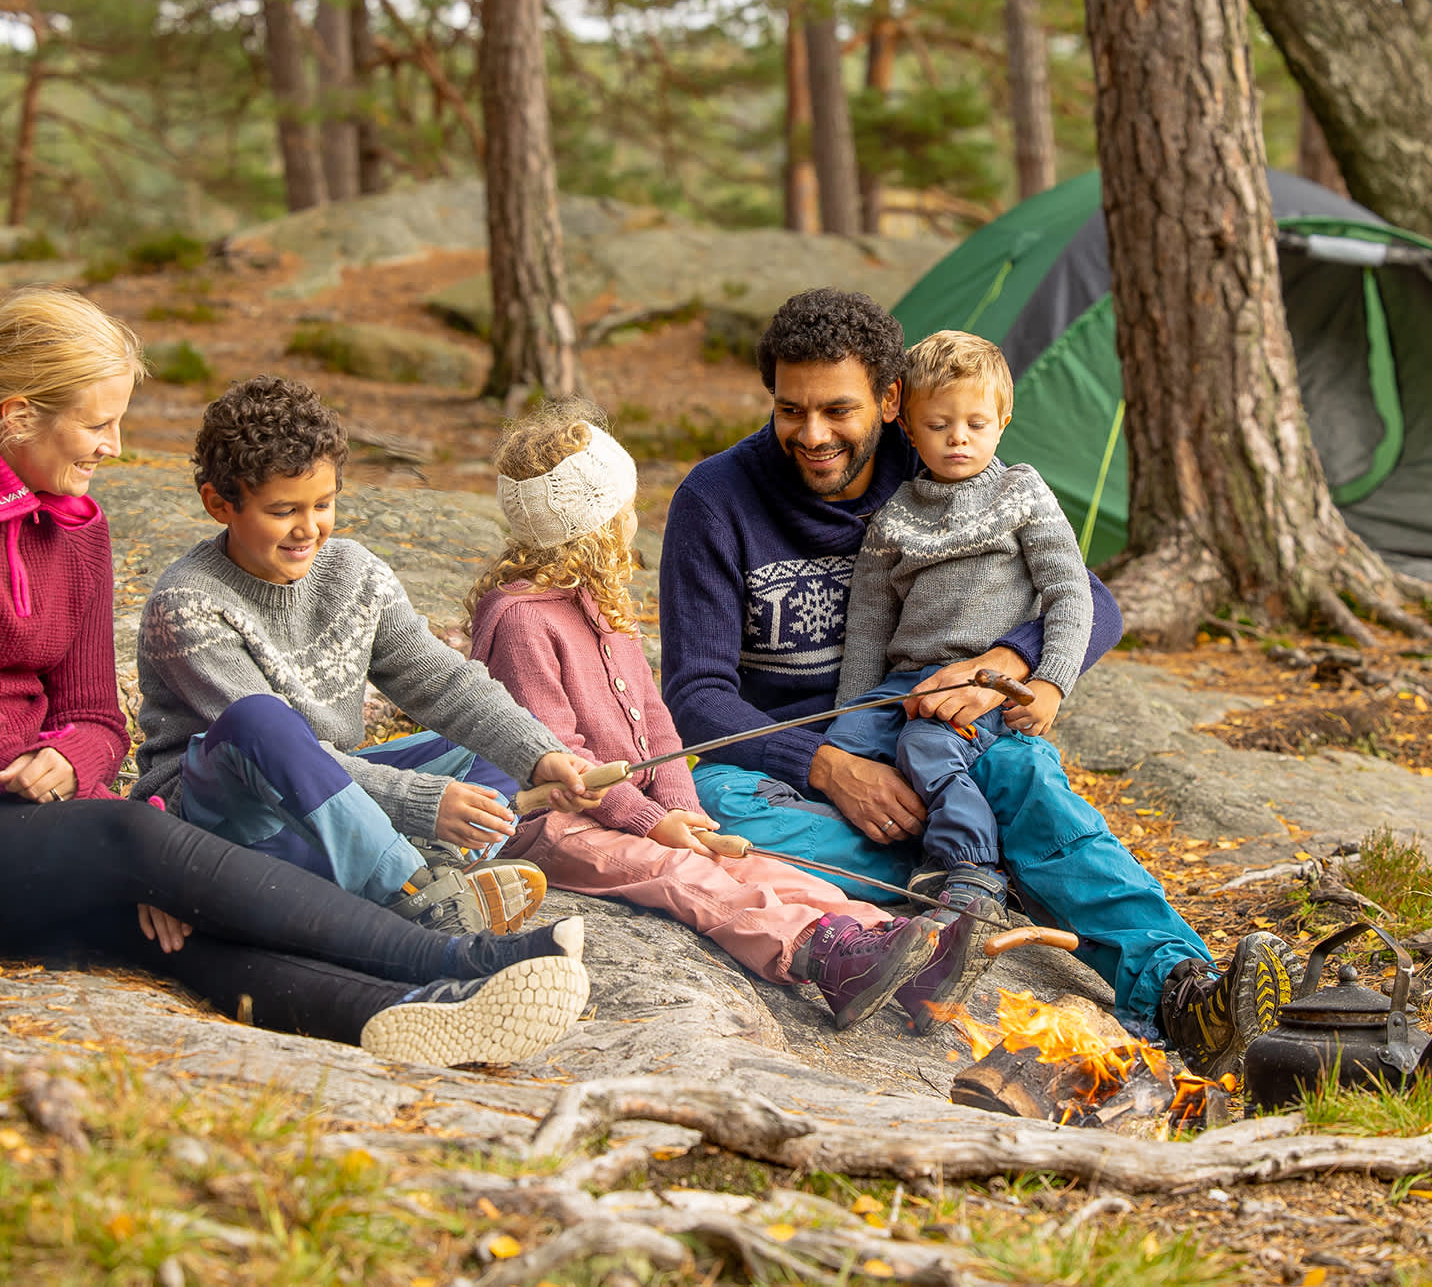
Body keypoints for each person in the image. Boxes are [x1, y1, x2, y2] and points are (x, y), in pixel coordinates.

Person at [0, 286, 588, 1069]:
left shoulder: (75, 528)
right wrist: (120, 841)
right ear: (18, 414)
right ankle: (454, 954)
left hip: (24, 819)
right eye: (97, 424)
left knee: (168, 927)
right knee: (142, 845)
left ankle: (395, 1013)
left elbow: (98, 719)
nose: (115, 447)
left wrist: (102, 800)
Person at [658, 287, 1291, 1079]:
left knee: (1020, 771)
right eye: (792, 410)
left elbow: (1090, 598)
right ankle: (990, 866)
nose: (813, 434)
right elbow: (695, 697)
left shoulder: (938, 458)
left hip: (948, 733)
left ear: (891, 401)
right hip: (809, 776)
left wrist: (1007, 666)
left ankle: (1180, 988)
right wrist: (828, 766)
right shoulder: (716, 501)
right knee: (712, 802)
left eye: (838, 410)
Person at [466, 405, 974, 1031]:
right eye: (626, 508)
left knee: (752, 863)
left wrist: (682, 806)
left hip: (635, 811)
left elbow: (656, 723)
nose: (633, 520)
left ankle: (895, 950)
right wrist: (651, 823)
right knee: (681, 874)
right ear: (600, 522)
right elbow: (563, 761)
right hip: (554, 829)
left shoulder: (598, 605)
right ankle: (823, 955)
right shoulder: (522, 620)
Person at [132, 375, 606, 936]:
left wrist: (540, 756)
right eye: (283, 510)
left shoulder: (353, 572)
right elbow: (268, 755)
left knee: (497, 747)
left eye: (324, 504)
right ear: (219, 503)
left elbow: (445, 683)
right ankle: (420, 891)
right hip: (229, 812)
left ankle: (419, 864)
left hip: (334, 794)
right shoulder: (189, 602)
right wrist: (417, 801)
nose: (308, 529)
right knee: (262, 722)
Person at [825, 330, 1093, 980]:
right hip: (903, 682)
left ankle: (970, 869)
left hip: (984, 683)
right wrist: (847, 718)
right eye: (939, 424)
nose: (958, 438)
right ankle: (872, 869)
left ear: (1003, 419)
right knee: (840, 750)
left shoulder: (1022, 493)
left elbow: (1071, 593)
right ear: (909, 428)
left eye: (976, 423)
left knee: (926, 745)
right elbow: (867, 626)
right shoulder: (894, 519)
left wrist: (1049, 681)